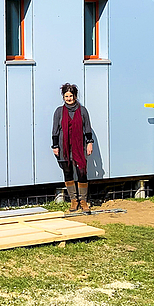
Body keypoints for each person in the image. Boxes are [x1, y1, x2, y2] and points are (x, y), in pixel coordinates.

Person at [51, 83, 94, 214]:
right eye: (66, 96)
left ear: (75, 96)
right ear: (63, 97)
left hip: (79, 146)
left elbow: (87, 128)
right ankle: (73, 200)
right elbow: (55, 130)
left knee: (82, 172)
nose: (69, 98)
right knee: (68, 173)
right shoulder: (59, 111)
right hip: (64, 147)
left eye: (71, 96)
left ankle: (83, 200)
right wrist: (55, 145)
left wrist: (89, 143)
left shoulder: (82, 111)